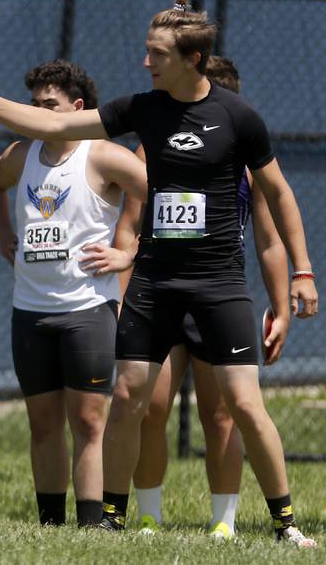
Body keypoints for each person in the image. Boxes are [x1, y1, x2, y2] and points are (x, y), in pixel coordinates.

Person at [0, 0, 318, 547]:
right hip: (155, 283)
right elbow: (49, 125)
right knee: (129, 397)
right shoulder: (141, 110)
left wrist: (303, 272)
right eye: (147, 52)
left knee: (242, 404)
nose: (147, 63)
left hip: (219, 285)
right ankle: (113, 520)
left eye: (157, 54)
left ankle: (285, 525)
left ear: (191, 59)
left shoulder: (238, 117)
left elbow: (279, 194)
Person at [113, 56, 302, 539]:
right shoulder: (151, 147)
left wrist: (281, 307)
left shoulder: (247, 158)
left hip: (214, 295)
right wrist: (120, 297)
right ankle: (148, 515)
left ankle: (224, 522)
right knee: (149, 408)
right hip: (158, 294)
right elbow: (128, 229)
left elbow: (269, 240)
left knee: (223, 414)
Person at [0, 60, 146, 528]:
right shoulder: (22, 153)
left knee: (90, 424)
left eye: (47, 105)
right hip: (30, 312)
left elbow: (156, 194)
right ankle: (50, 525)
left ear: (77, 108)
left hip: (88, 311)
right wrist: (2, 234)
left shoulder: (103, 155)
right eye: (33, 105)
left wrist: (128, 252)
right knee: (43, 425)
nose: (37, 113)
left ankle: (91, 525)